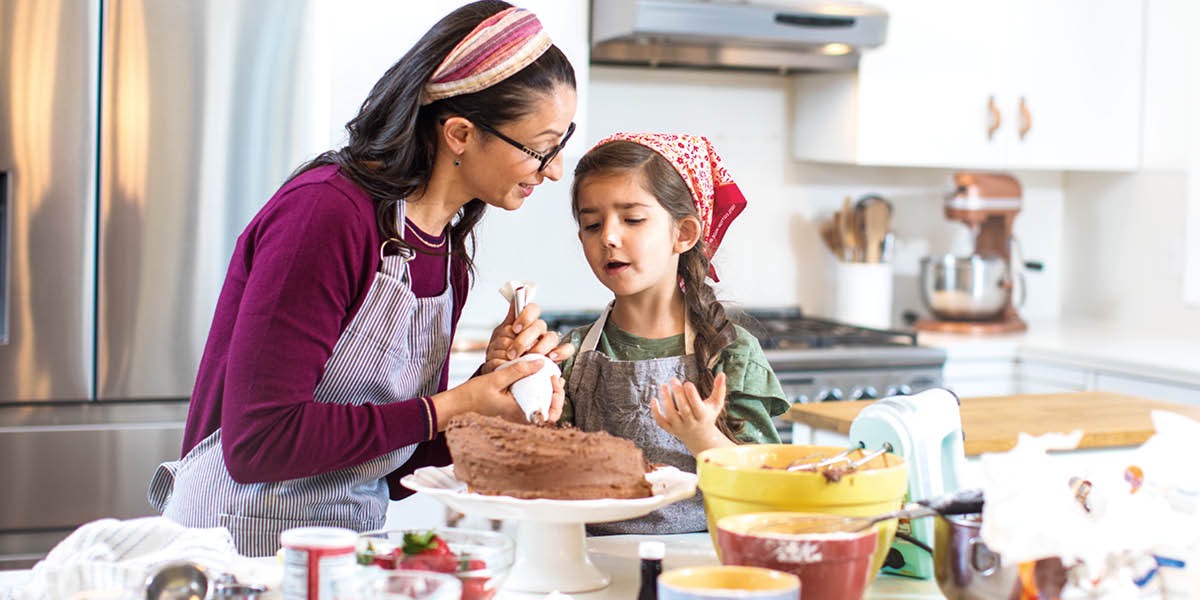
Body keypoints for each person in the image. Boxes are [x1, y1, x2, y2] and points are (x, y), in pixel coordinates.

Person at [147, 1, 577, 556]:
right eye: (541, 148)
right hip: (238, 551)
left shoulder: (446, 255)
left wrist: (490, 388)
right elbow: (260, 443)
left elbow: (399, 470)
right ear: (461, 134)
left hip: (348, 552)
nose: (556, 168)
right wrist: (456, 405)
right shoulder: (325, 214)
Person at [559, 133, 789, 534]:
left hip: (703, 567)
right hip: (593, 566)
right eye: (591, 224)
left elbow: (768, 486)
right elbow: (549, 471)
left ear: (683, 233)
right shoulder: (572, 353)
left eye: (632, 219)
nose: (608, 237)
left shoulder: (730, 352)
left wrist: (702, 436)